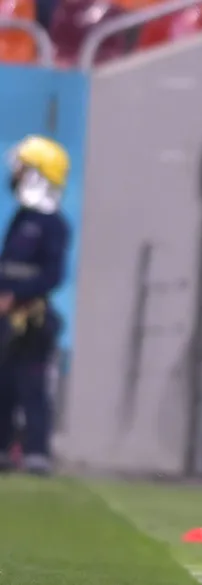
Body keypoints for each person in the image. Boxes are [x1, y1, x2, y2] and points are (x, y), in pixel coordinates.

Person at [0, 135, 71, 476]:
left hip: (33, 318)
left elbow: (53, 274)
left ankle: (36, 452)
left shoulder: (53, 224)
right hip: (7, 316)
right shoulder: (20, 217)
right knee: (4, 383)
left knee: (32, 385)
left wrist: (18, 295)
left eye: (23, 169)